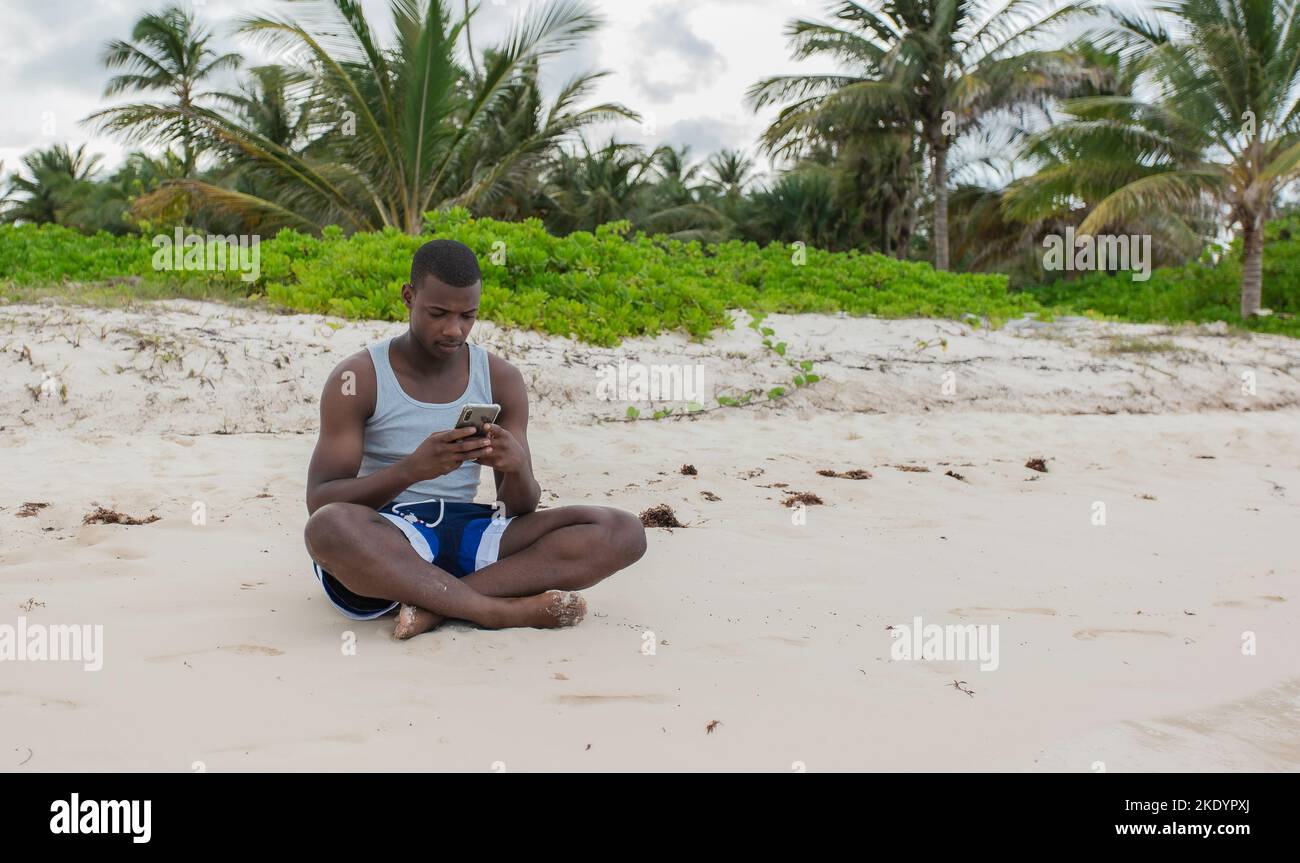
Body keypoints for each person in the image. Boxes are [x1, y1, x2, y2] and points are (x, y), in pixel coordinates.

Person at [302, 239, 647, 638]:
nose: (454, 329)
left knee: (623, 531)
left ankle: (437, 606)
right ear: (408, 297)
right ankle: (491, 611)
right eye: (438, 313)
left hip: (472, 532)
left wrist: (515, 467)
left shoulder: (501, 378)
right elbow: (320, 500)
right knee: (329, 527)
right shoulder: (358, 378)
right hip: (389, 531)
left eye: (468, 316)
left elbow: (518, 507)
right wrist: (411, 470)